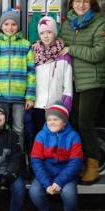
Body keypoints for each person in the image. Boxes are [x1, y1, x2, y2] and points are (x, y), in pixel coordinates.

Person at [58, 0, 105, 184]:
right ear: (72, 3)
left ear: (92, 5)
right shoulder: (67, 24)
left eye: (85, 2)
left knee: (85, 124)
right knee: (72, 123)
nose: (81, 5)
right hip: (72, 82)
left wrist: (72, 49)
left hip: (92, 82)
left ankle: (93, 165)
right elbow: (59, 48)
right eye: (78, 1)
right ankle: (77, 163)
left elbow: (99, 53)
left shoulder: (101, 24)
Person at [29, 102, 84, 211]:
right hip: (46, 173)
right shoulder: (41, 135)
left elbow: (75, 162)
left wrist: (59, 181)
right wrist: (47, 183)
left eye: (56, 119)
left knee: (69, 193)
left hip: (65, 174)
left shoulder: (73, 136)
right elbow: (36, 161)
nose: (51, 122)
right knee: (35, 191)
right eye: (49, 120)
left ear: (64, 122)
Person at [0, 8, 35, 151]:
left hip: (20, 97)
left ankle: (18, 157)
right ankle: (3, 155)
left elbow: (31, 73)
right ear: (1, 26)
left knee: (19, 127)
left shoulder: (25, 45)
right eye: (6, 24)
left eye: (13, 24)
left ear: (18, 26)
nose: (10, 27)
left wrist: (30, 96)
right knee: (0, 127)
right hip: (0, 97)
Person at [31, 16, 74, 146]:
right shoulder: (33, 54)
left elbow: (68, 86)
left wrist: (65, 108)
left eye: (49, 32)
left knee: (56, 141)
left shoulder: (64, 56)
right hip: (37, 105)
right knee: (38, 140)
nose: (46, 36)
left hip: (56, 107)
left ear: (54, 33)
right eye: (42, 33)